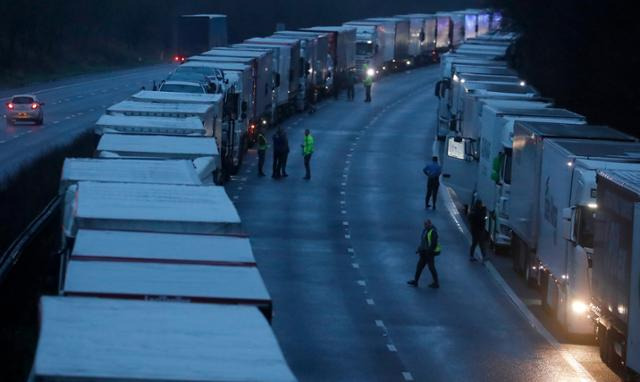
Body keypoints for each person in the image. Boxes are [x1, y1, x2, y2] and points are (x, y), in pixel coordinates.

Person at [408, 219, 441, 288]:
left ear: (430, 224)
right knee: (419, 267)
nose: (425, 226)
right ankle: (416, 281)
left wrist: (429, 251)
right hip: (423, 253)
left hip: (429, 254)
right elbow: (423, 241)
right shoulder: (425, 230)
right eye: (424, 224)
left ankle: (436, 283)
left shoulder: (433, 232)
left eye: (426, 224)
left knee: (431, 268)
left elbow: (433, 244)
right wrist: (419, 249)